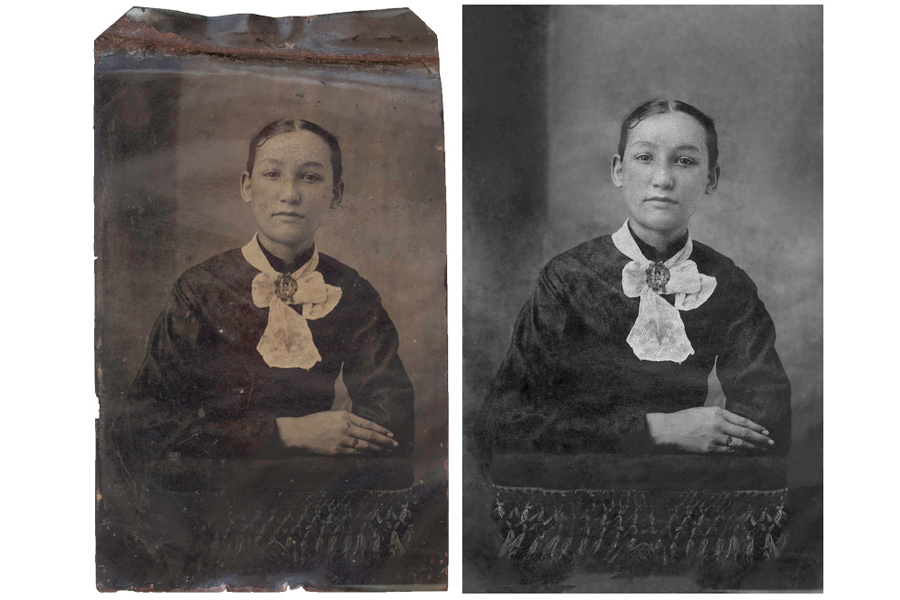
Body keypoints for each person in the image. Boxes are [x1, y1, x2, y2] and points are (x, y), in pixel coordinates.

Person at [476, 99, 791, 458]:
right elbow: (504, 422)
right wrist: (657, 430)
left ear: (711, 179)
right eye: (644, 158)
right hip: (579, 483)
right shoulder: (568, 279)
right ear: (618, 171)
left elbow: (768, 412)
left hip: (687, 484)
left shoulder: (727, 282)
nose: (662, 179)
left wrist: (719, 436)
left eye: (684, 161)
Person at [117, 118, 415, 469]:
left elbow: (392, 423)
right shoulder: (201, 289)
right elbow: (145, 426)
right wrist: (287, 434)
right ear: (247, 186)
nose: (289, 194)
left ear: (335, 194)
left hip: (315, 489)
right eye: (272, 174)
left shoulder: (352, 292)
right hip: (216, 491)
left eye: (311, 177)